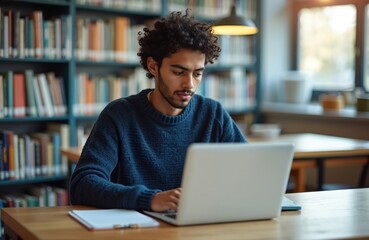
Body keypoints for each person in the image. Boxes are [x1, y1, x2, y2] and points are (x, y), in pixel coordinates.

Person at [69, 9, 247, 212]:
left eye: (197, 73)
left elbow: (249, 170)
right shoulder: (119, 115)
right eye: (178, 72)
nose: (189, 84)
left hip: (199, 226)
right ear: (153, 66)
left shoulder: (213, 114)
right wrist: (149, 199)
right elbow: (83, 185)